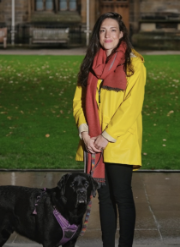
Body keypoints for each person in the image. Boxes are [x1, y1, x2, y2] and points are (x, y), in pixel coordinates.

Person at [73, 12, 146, 247]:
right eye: (103, 30)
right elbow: (78, 100)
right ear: (98, 34)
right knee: (104, 198)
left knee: (121, 197)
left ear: (122, 33)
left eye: (113, 30)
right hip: (93, 141)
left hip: (119, 142)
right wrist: (85, 132)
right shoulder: (91, 62)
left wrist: (106, 136)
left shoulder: (134, 64)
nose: (108, 35)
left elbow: (131, 107)